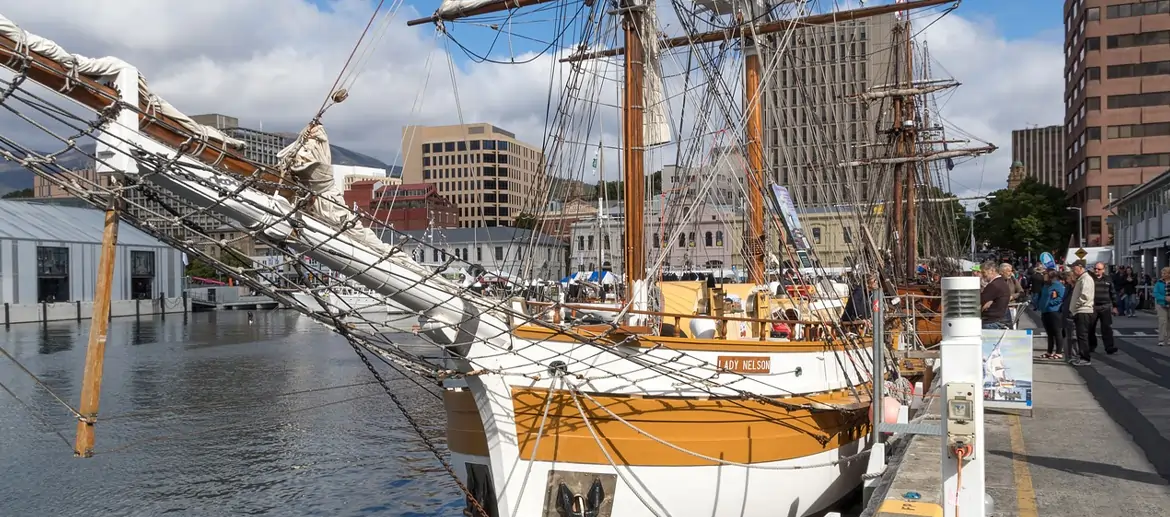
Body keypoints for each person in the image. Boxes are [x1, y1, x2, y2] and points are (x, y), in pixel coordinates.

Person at [1088, 261, 1119, 355]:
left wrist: (1115, 306)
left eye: (1099, 269)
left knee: (1107, 327)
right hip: (1093, 306)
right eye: (1095, 268)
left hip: (1105, 306)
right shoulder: (1090, 279)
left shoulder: (1108, 279)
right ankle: (1091, 346)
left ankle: (1109, 347)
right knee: (1090, 327)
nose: (1096, 270)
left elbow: (1113, 292)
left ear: (1103, 270)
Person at [1069, 260, 1096, 366]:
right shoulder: (1081, 278)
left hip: (1083, 310)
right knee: (1080, 335)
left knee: (1082, 335)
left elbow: (1085, 295)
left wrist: (1076, 305)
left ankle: (1085, 358)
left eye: (1074, 267)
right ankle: (1081, 356)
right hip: (1079, 310)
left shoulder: (1086, 279)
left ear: (1080, 267)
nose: (1072, 270)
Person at [1039, 270, 1066, 360]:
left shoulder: (1058, 285)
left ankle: (1058, 352)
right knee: (1049, 333)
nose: (1043, 276)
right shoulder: (1046, 285)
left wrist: (1052, 303)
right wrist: (1040, 305)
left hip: (1054, 311)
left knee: (1057, 332)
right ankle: (1049, 351)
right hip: (1045, 311)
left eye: (1045, 275)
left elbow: (1061, 297)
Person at [980, 260, 1010, 329]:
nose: (982, 275)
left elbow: (980, 301)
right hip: (997, 320)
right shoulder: (1001, 282)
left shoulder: (994, 285)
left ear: (992, 270)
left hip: (991, 321)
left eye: (983, 272)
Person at [1059, 270, 1077, 359]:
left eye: (1067, 278)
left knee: (1073, 337)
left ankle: (1073, 356)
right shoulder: (1068, 287)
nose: (1065, 281)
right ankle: (1068, 356)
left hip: (1072, 314)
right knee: (1067, 336)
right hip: (1066, 313)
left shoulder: (1076, 288)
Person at [1155, 267, 1170, 347]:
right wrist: (1164, 298)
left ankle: (1169, 339)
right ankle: (1161, 339)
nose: (1163, 275)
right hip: (1162, 304)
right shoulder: (1159, 283)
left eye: (1165, 273)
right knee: (1162, 321)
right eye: (1162, 273)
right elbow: (1156, 293)